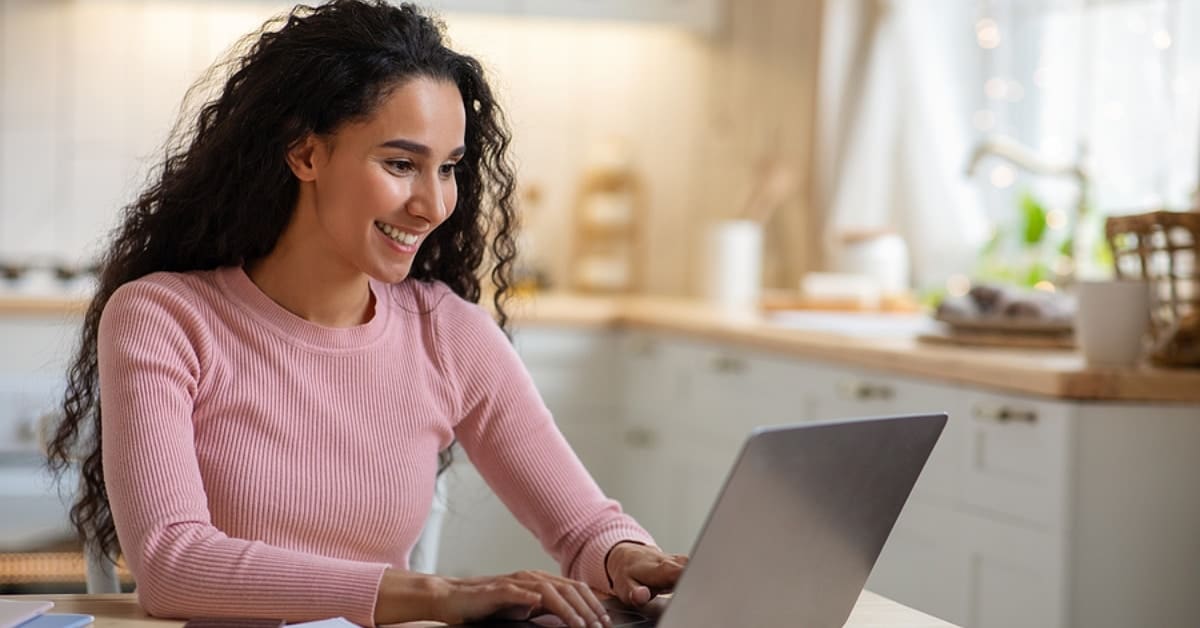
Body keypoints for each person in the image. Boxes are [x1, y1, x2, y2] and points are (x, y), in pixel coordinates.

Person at [45, 2, 686, 626]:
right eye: (401, 164)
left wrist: (631, 559)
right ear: (306, 155)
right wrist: (435, 596)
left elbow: (582, 526)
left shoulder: (449, 333)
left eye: (450, 169)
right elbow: (172, 564)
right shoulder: (165, 318)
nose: (433, 205)